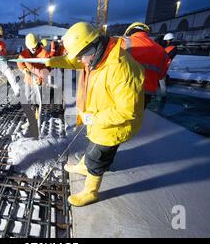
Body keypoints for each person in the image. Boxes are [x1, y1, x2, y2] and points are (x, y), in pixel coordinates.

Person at [46, 22, 145, 207]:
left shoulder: (120, 68)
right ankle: (84, 167)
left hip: (114, 123)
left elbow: (127, 111)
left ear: (93, 47)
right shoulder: (97, 56)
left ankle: (90, 192)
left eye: (82, 57)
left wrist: (94, 118)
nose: (81, 62)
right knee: (94, 146)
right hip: (99, 116)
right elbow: (71, 60)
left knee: (97, 157)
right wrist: (50, 62)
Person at [121, 22, 169, 108]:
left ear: (129, 32)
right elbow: (161, 76)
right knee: (137, 116)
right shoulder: (162, 51)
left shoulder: (123, 43)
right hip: (147, 93)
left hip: (125, 89)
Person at [17, 33, 50, 119]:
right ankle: (30, 115)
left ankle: (37, 115)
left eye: (34, 47)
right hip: (28, 80)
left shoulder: (44, 54)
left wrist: (41, 79)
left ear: (37, 43)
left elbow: (48, 69)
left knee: (38, 99)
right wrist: (24, 69)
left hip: (39, 81)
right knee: (28, 97)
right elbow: (19, 62)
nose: (33, 49)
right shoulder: (24, 53)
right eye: (31, 48)